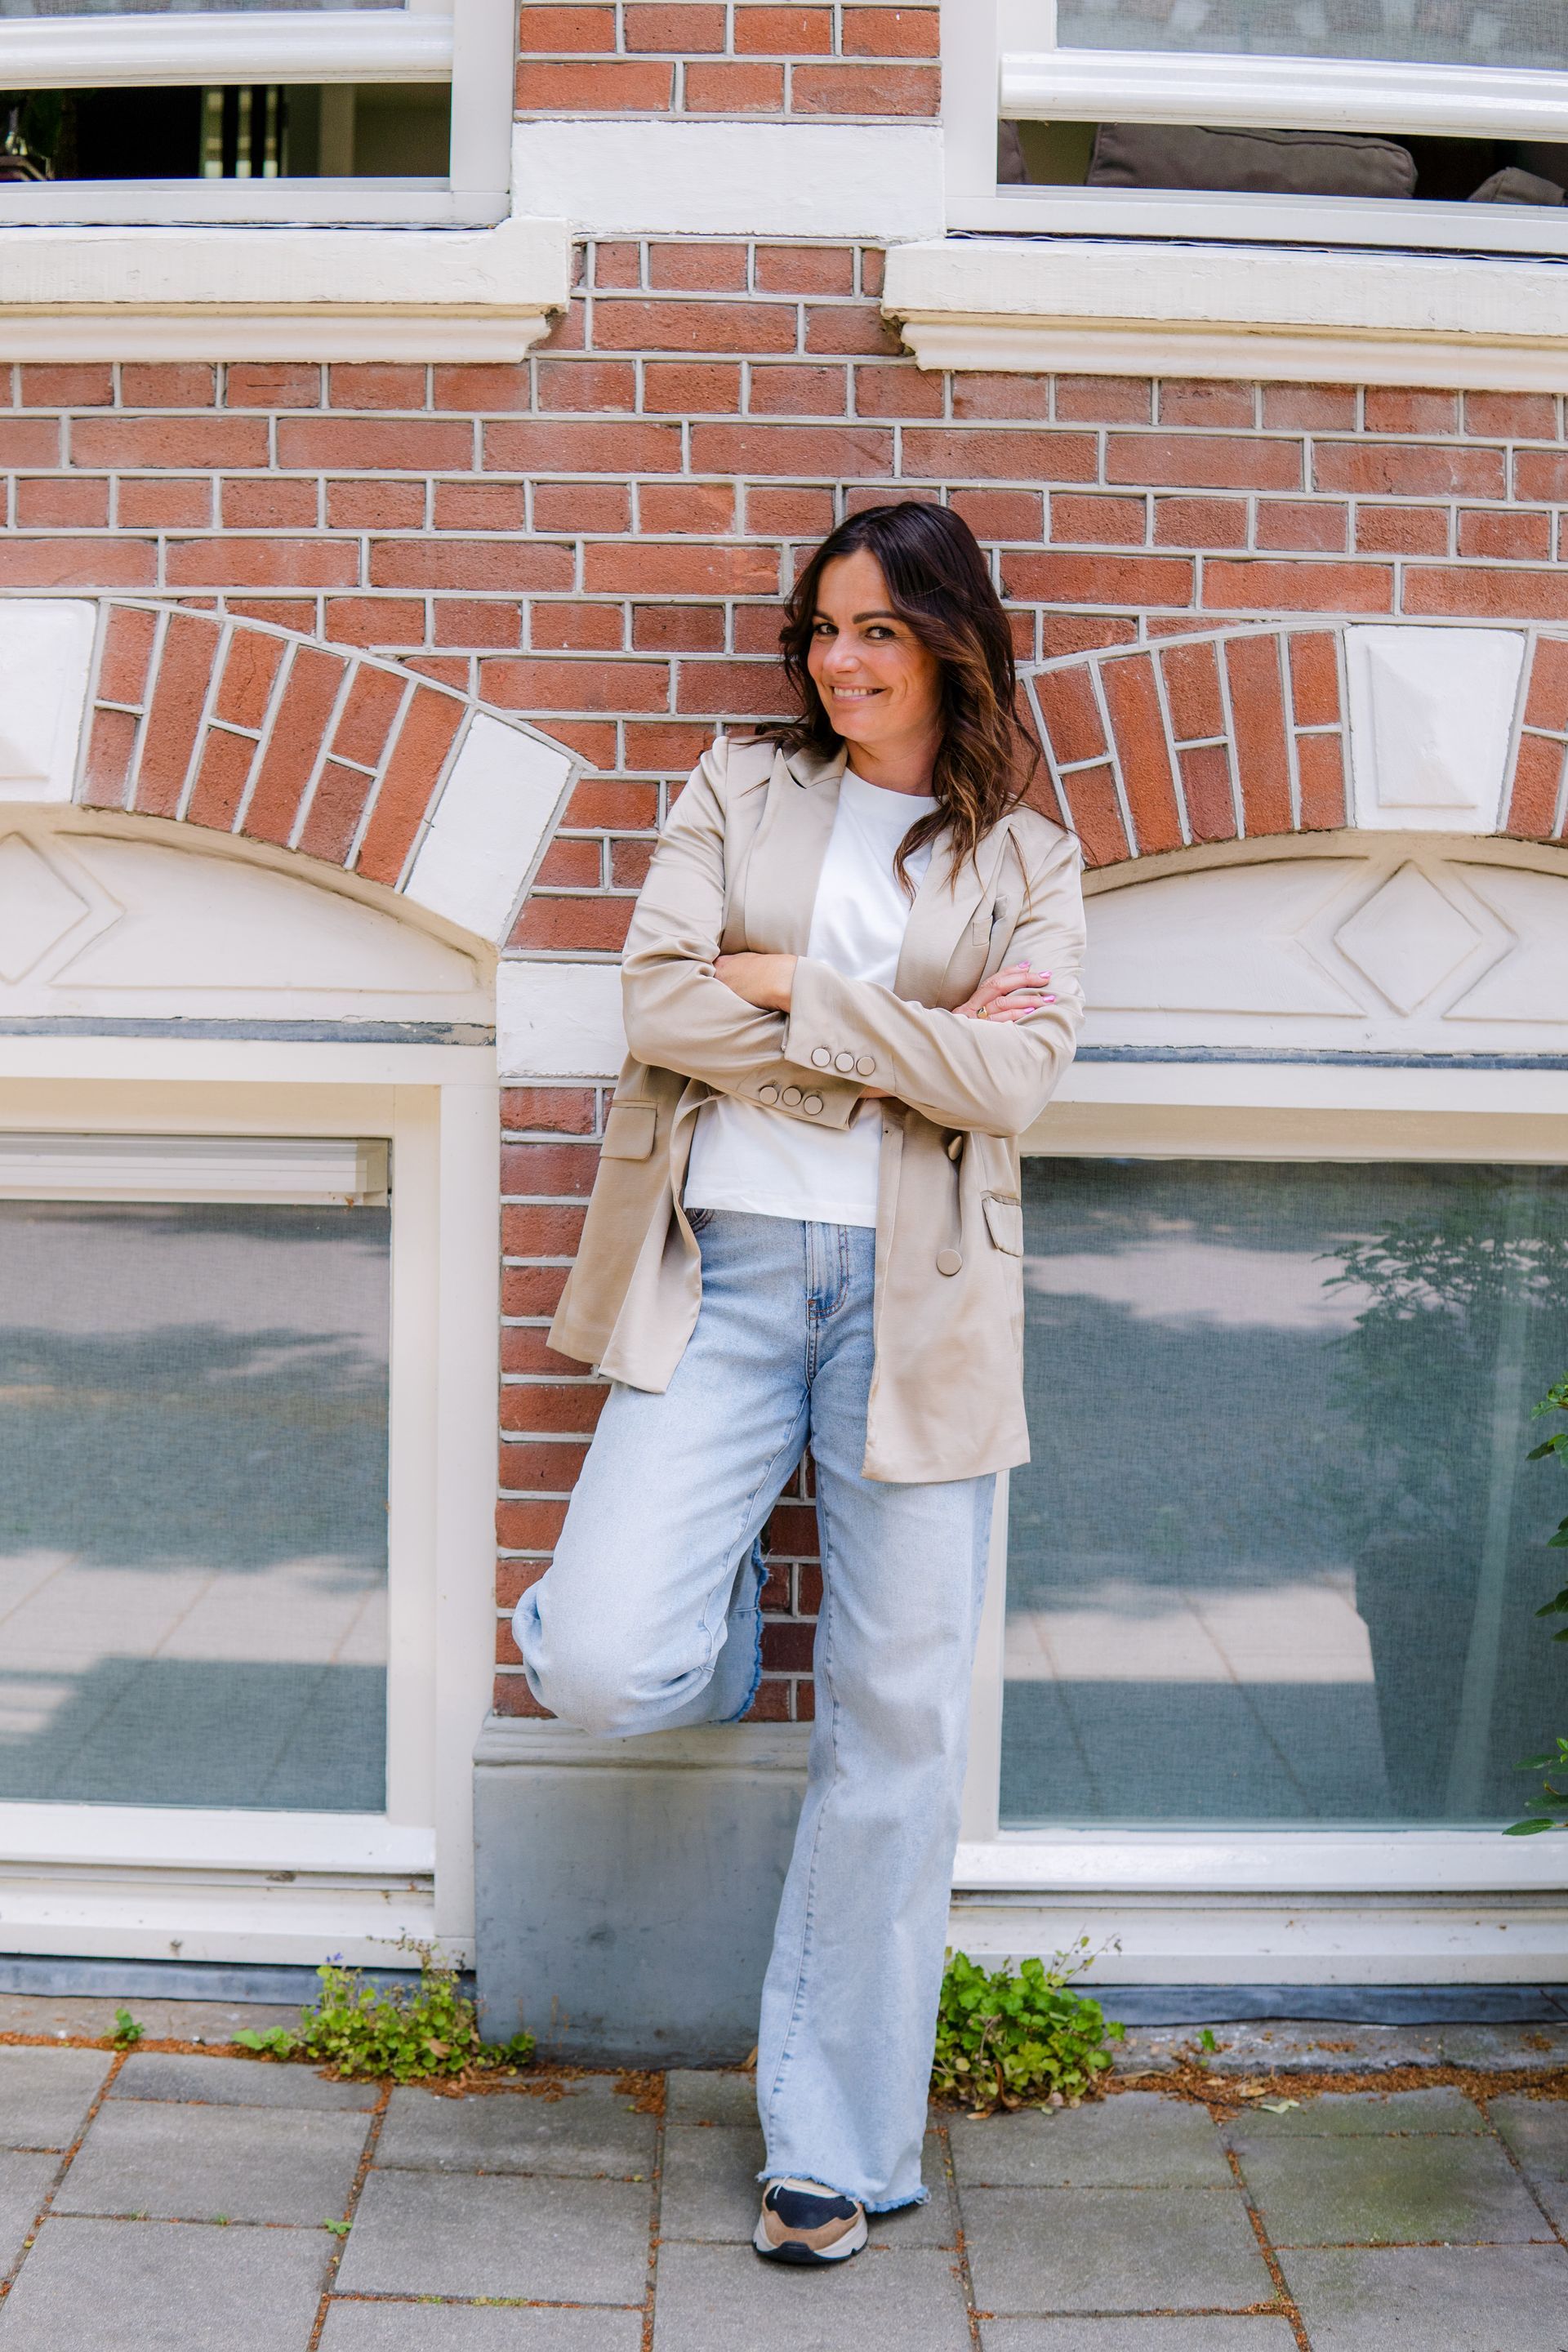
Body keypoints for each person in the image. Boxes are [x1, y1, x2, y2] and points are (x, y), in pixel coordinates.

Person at [515, 499, 1086, 2265]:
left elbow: (1018, 1083)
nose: (840, 662)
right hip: (728, 1278)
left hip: (925, 1301)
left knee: (897, 1729)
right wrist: (899, 1051)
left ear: (952, 645)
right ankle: (733, 1628)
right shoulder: (738, 786)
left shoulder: (1027, 858)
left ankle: (831, 2146)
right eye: (824, 629)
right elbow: (658, 1004)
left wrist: (802, 997)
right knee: (601, 1658)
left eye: (878, 631)